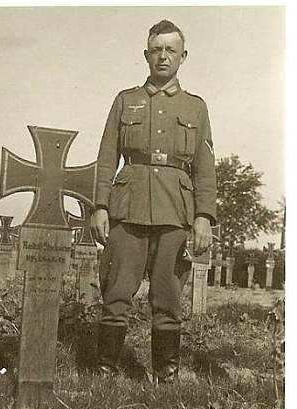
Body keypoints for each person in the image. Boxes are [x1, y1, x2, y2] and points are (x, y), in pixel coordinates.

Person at [91, 19, 217, 382]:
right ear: (146, 55)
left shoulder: (196, 107)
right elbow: (106, 156)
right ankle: (105, 370)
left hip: (175, 213)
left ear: (183, 57)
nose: (163, 57)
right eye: (157, 50)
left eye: (171, 51)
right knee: (116, 293)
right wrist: (100, 206)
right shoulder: (125, 100)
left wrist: (204, 216)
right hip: (127, 209)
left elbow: (205, 168)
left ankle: (166, 373)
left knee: (168, 297)